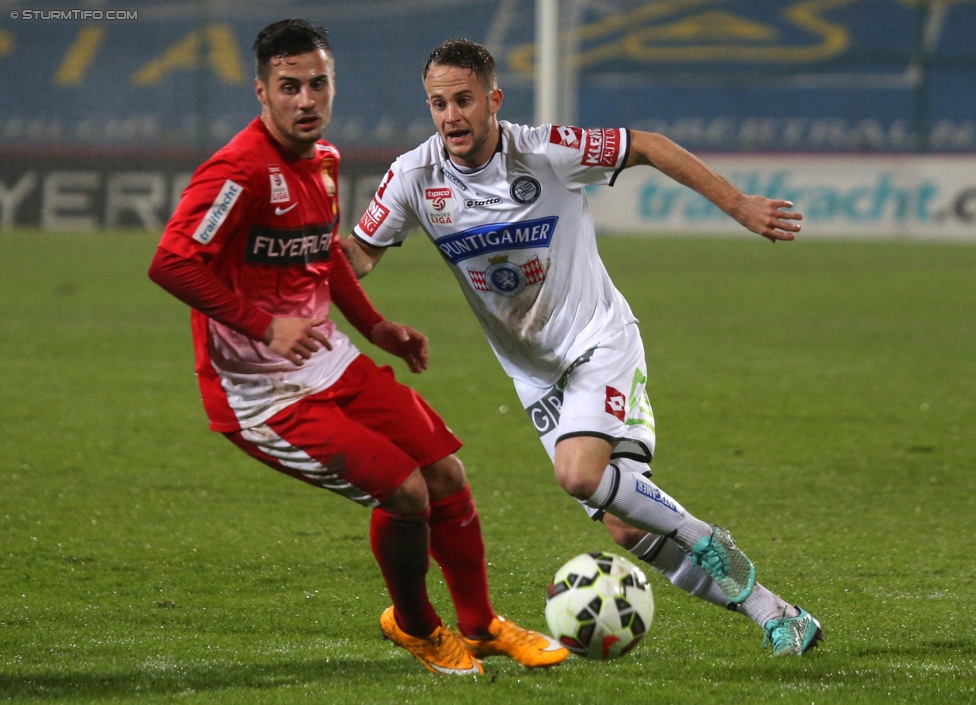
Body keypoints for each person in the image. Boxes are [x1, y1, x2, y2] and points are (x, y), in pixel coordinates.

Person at [341, 38, 823, 657]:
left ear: (494, 99)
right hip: (535, 374)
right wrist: (300, 252)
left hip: (598, 341)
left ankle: (704, 535)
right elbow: (360, 255)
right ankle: (777, 614)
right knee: (623, 521)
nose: (451, 116)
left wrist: (737, 204)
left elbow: (645, 144)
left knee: (578, 475)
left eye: (464, 100)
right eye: (438, 104)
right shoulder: (415, 176)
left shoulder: (544, 151)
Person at [148, 21, 569, 676]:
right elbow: (172, 263)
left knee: (446, 475)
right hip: (262, 394)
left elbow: (324, 251)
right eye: (290, 87)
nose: (306, 99)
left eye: (318, 83)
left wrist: (376, 328)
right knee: (405, 492)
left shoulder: (323, 160)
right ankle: (417, 626)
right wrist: (262, 325)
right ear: (262, 91)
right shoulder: (236, 172)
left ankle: (481, 624)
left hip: (331, 360)